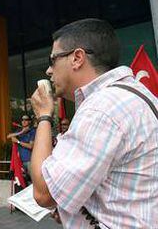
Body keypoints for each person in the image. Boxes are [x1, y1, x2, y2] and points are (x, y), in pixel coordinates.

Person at [30, 18, 158, 228]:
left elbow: (44, 193)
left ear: (77, 58)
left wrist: (44, 116)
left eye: (52, 60)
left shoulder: (101, 109)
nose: (49, 71)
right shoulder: (135, 96)